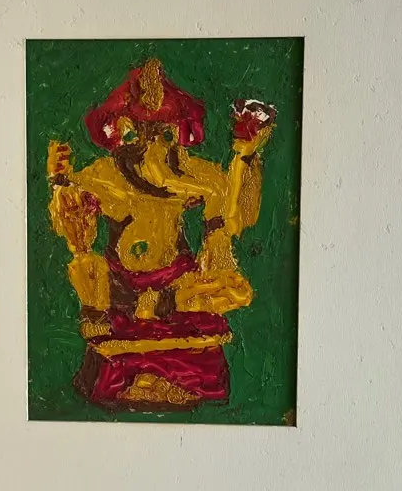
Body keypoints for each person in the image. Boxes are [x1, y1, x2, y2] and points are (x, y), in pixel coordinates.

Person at [47, 57, 274, 411]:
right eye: (140, 131)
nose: (152, 144)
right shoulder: (106, 175)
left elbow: (233, 216)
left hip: (178, 288)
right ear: (122, 130)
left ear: (178, 131)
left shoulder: (194, 175)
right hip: (121, 289)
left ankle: (174, 369)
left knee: (232, 290)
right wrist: (59, 181)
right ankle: (131, 365)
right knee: (89, 273)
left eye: (163, 132)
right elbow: (72, 223)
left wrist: (245, 154)